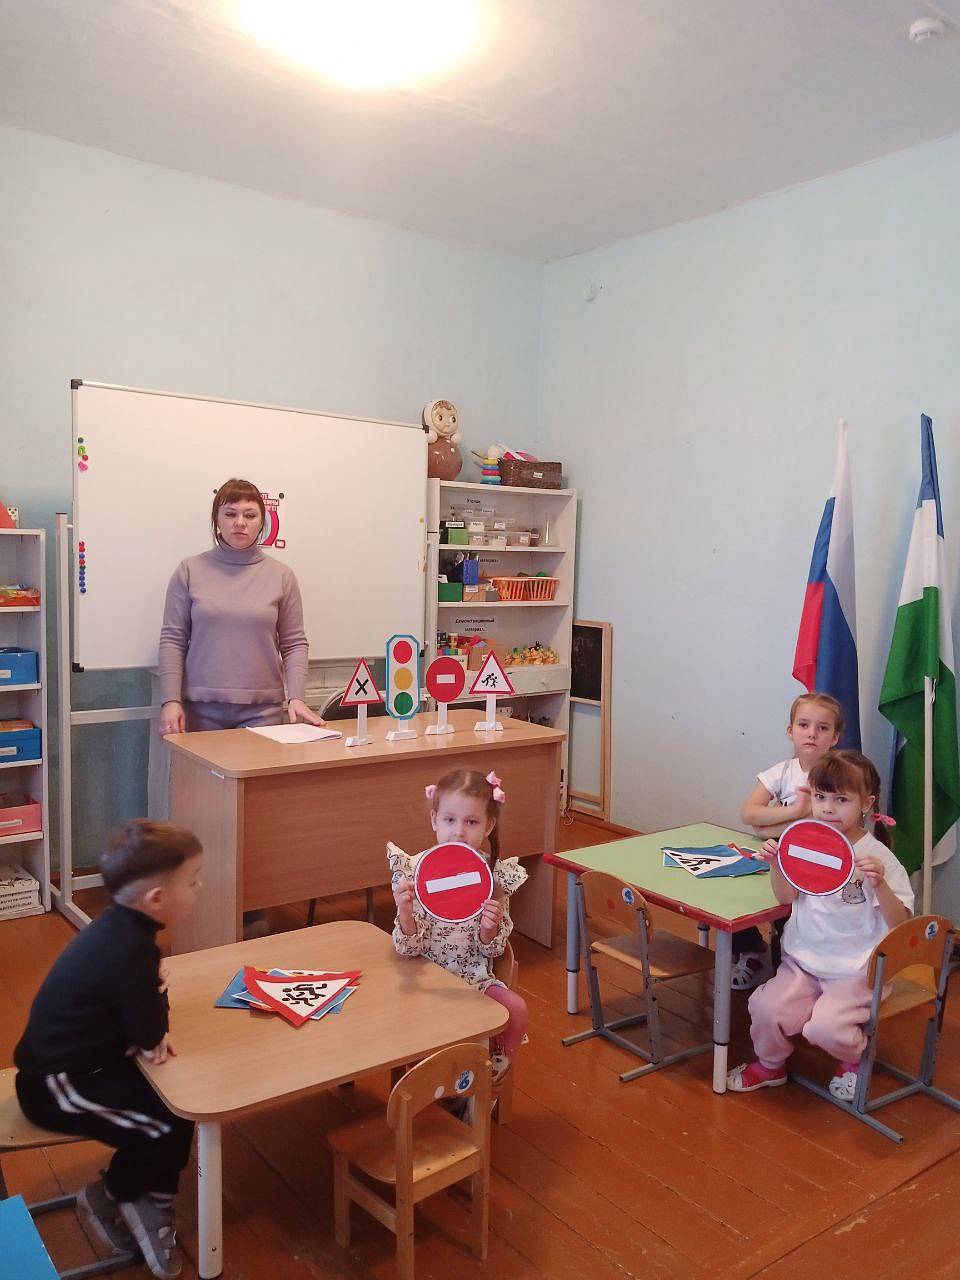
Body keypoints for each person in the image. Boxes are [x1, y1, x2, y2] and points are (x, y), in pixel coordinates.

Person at [14, 820, 203, 1280]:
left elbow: (138, 1021)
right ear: (156, 899)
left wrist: (149, 1010)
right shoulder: (131, 950)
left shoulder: (119, 928)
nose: (199, 888)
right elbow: (151, 1031)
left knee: (175, 1110)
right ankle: (114, 1194)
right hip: (56, 1087)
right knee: (162, 1126)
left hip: (87, 1066)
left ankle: (152, 1200)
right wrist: (156, 1000)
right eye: (192, 881)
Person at [727, 750, 913, 1100]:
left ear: (866, 804)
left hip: (856, 971)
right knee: (766, 1008)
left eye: (841, 799)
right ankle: (770, 1066)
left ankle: (854, 1060)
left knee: (825, 1028)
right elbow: (786, 898)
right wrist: (776, 865)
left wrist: (880, 885)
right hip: (803, 961)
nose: (828, 808)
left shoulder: (878, 857)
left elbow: (900, 922)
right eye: (820, 797)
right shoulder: (803, 843)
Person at [389, 769, 529, 1083]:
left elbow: (493, 951)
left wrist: (489, 929)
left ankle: (489, 1082)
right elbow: (406, 950)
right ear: (434, 820)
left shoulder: (492, 878)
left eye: (472, 822)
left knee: (516, 1009)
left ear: (488, 825)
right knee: (414, 1022)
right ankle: (436, 1082)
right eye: (450, 820)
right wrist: (406, 912)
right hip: (426, 981)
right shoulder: (416, 871)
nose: (459, 832)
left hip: (473, 981)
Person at [157, 477, 323, 735]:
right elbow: (172, 639)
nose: (240, 522)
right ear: (217, 519)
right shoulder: (189, 570)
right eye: (230, 514)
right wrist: (170, 700)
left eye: (250, 515)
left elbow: (294, 644)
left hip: (263, 711)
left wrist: (297, 697)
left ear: (262, 522)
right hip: (199, 709)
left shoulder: (281, 576)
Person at [730, 692, 844, 991]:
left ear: (834, 737)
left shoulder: (841, 777)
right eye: (804, 725)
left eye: (822, 728)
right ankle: (752, 950)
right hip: (777, 855)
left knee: (790, 916)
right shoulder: (781, 772)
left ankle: (787, 967)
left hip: (816, 866)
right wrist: (798, 812)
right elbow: (749, 815)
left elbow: (827, 830)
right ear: (790, 731)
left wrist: (770, 826)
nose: (812, 733)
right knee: (733, 894)